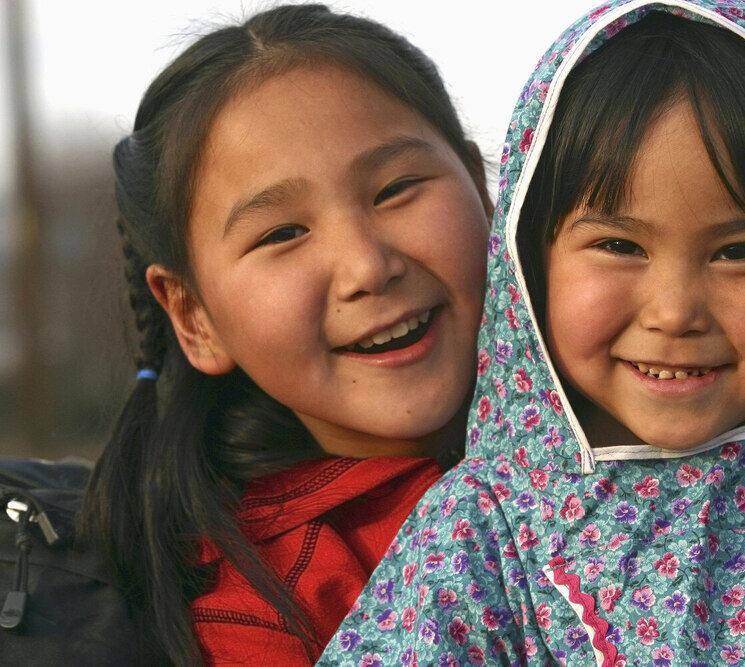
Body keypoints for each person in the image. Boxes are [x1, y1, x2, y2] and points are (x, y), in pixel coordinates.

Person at [321, 2, 745, 665]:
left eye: (737, 251)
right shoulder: (480, 532)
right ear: (530, 261)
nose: (675, 312)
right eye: (619, 244)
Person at [78, 4, 491, 664]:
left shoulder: (650, 415)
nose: (366, 266)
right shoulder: (269, 612)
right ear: (194, 318)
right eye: (281, 234)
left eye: (397, 188)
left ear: (479, 184)